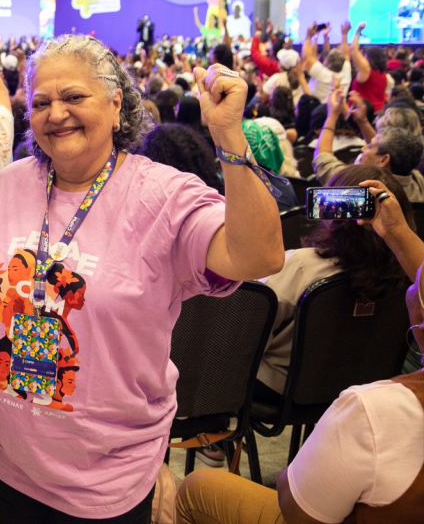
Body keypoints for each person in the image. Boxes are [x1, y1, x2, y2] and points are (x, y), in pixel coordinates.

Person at [0, 34, 284, 522]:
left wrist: (229, 136)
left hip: (106, 481)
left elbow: (259, 256)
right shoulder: (9, 185)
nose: (56, 113)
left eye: (74, 97)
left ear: (116, 104)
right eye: (41, 102)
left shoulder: (163, 193)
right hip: (12, 466)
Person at [176, 175, 424, 524]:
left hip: (285, 391)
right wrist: (398, 233)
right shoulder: (402, 281)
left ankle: (211, 441)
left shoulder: (299, 266)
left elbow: (239, 324)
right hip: (353, 382)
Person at [258, 165, 413, 396]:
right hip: (368, 389)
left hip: (287, 391)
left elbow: (249, 331)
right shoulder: (412, 275)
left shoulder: (300, 265)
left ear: (333, 214)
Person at [315, 86, 424, 201]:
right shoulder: (418, 181)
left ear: (383, 160)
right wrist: (363, 122)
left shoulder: (358, 184)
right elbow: (388, 147)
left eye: (370, 146)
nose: (363, 148)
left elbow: (322, 158)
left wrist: (332, 114)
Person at [351, 22, 391, 111]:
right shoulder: (383, 75)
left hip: (363, 112)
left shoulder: (366, 69)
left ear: (369, 58)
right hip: (378, 111)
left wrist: (358, 31)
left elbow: (353, 50)